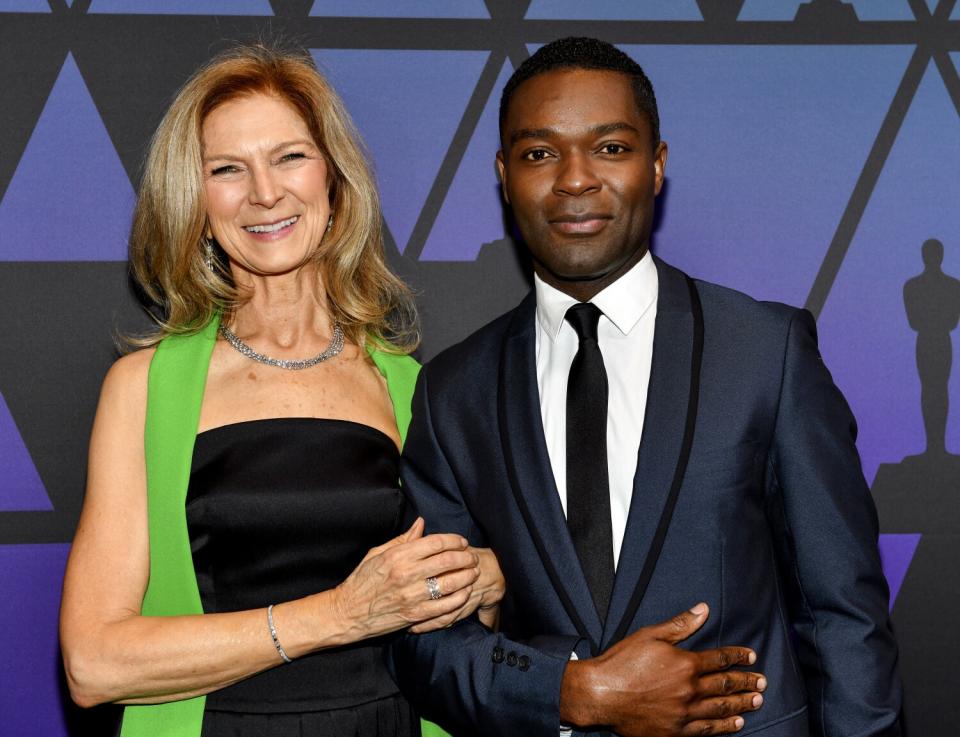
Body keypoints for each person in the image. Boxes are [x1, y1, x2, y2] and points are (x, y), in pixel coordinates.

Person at [392, 37, 902, 737]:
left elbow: (844, 618)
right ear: (503, 175)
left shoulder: (765, 353)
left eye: (610, 148)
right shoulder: (453, 394)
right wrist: (573, 691)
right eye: (540, 153)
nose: (575, 179)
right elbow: (427, 645)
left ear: (656, 166)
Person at [59, 45, 504, 737]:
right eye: (227, 169)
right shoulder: (145, 390)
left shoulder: (414, 388)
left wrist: (483, 584)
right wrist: (340, 614)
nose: (264, 192)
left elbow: (460, 630)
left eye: (290, 156)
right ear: (197, 201)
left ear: (335, 177)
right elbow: (93, 663)